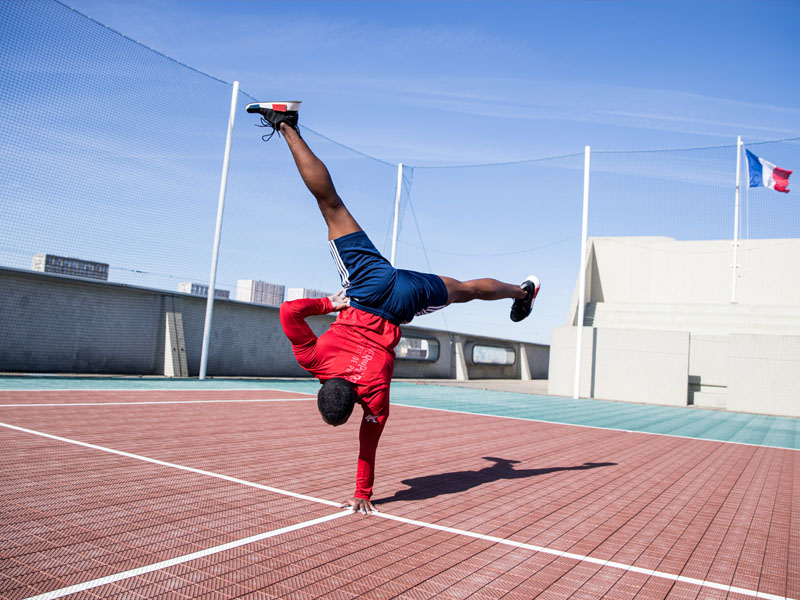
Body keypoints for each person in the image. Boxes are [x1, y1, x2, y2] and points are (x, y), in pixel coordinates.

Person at [246, 101, 540, 514]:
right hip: (368, 285)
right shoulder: (314, 362)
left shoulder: (374, 395)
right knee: (330, 205)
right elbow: (289, 311)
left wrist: (363, 493)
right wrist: (330, 302)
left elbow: (369, 443)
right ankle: (285, 124)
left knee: (466, 289)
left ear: (355, 403)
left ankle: (521, 292)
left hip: (402, 299)